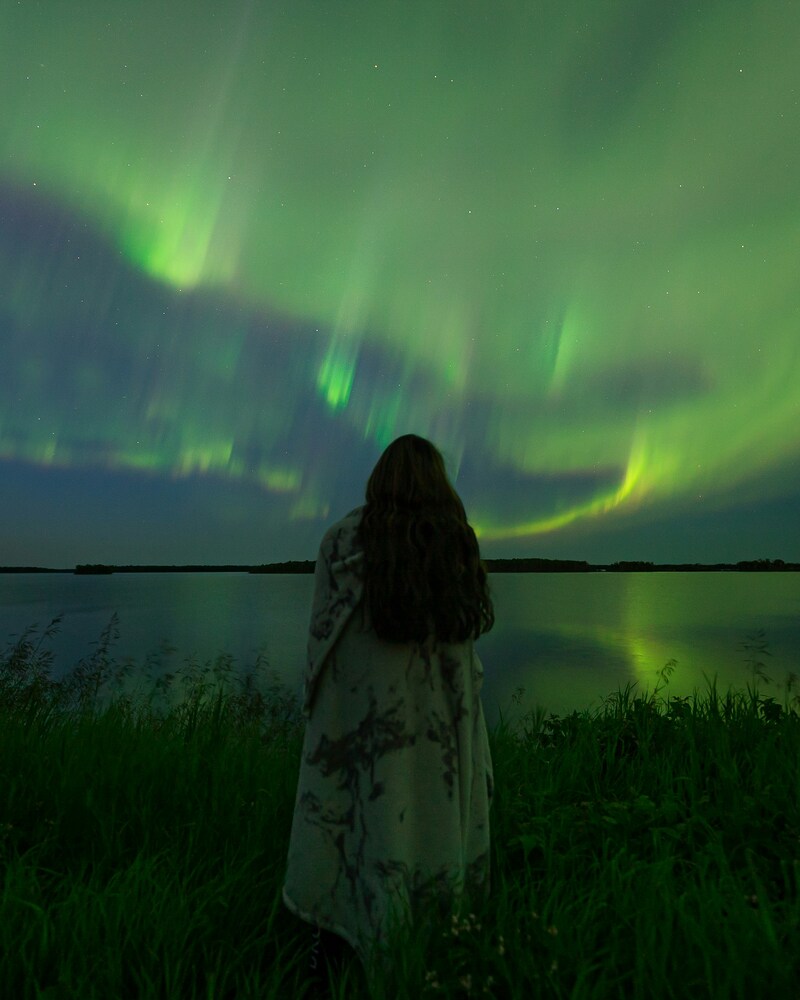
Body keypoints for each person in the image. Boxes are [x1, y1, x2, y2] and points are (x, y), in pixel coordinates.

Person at [281, 434, 495, 980]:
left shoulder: (342, 544)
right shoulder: (458, 549)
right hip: (439, 739)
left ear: (379, 480)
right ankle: (429, 957)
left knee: (358, 829)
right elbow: (464, 663)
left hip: (361, 732)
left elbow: (322, 649)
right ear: (438, 484)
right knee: (428, 829)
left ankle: (337, 961)